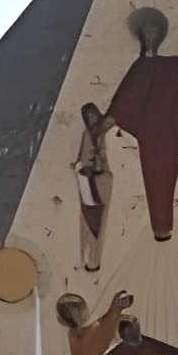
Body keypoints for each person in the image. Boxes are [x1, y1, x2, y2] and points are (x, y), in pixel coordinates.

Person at [99, 9, 178, 243]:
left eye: (155, 33)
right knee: (156, 178)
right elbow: (124, 100)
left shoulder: (169, 67)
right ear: (141, 38)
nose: (151, 37)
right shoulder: (140, 67)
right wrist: (106, 123)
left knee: (165, 177)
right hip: (150, 134)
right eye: (147, 33)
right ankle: (161, 227)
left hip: (169, 132)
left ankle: (163, 227)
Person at [73, 103, 115, 272]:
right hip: (89, 180)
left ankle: (94, 260)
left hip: (103, 179)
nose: (92, 119)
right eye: (89, 116)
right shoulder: (88, 135)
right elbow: (83, 159)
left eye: (94, 115)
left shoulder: (104, 132)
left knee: (100, 222)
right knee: (90, 221)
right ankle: (90, 260)